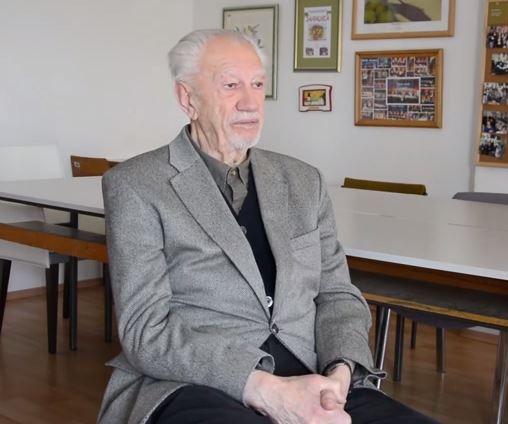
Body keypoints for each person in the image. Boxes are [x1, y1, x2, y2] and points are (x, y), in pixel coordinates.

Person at [98, 29, 439, 424]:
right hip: (195, 381)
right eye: (231, 85)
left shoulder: (304, 181)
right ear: (188, 98)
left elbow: (337, 295)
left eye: (258, 84)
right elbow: (145, 331)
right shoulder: (136, 185)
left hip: (311, 375)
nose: (250, 102)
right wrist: (267, 390)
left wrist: (340, 372)